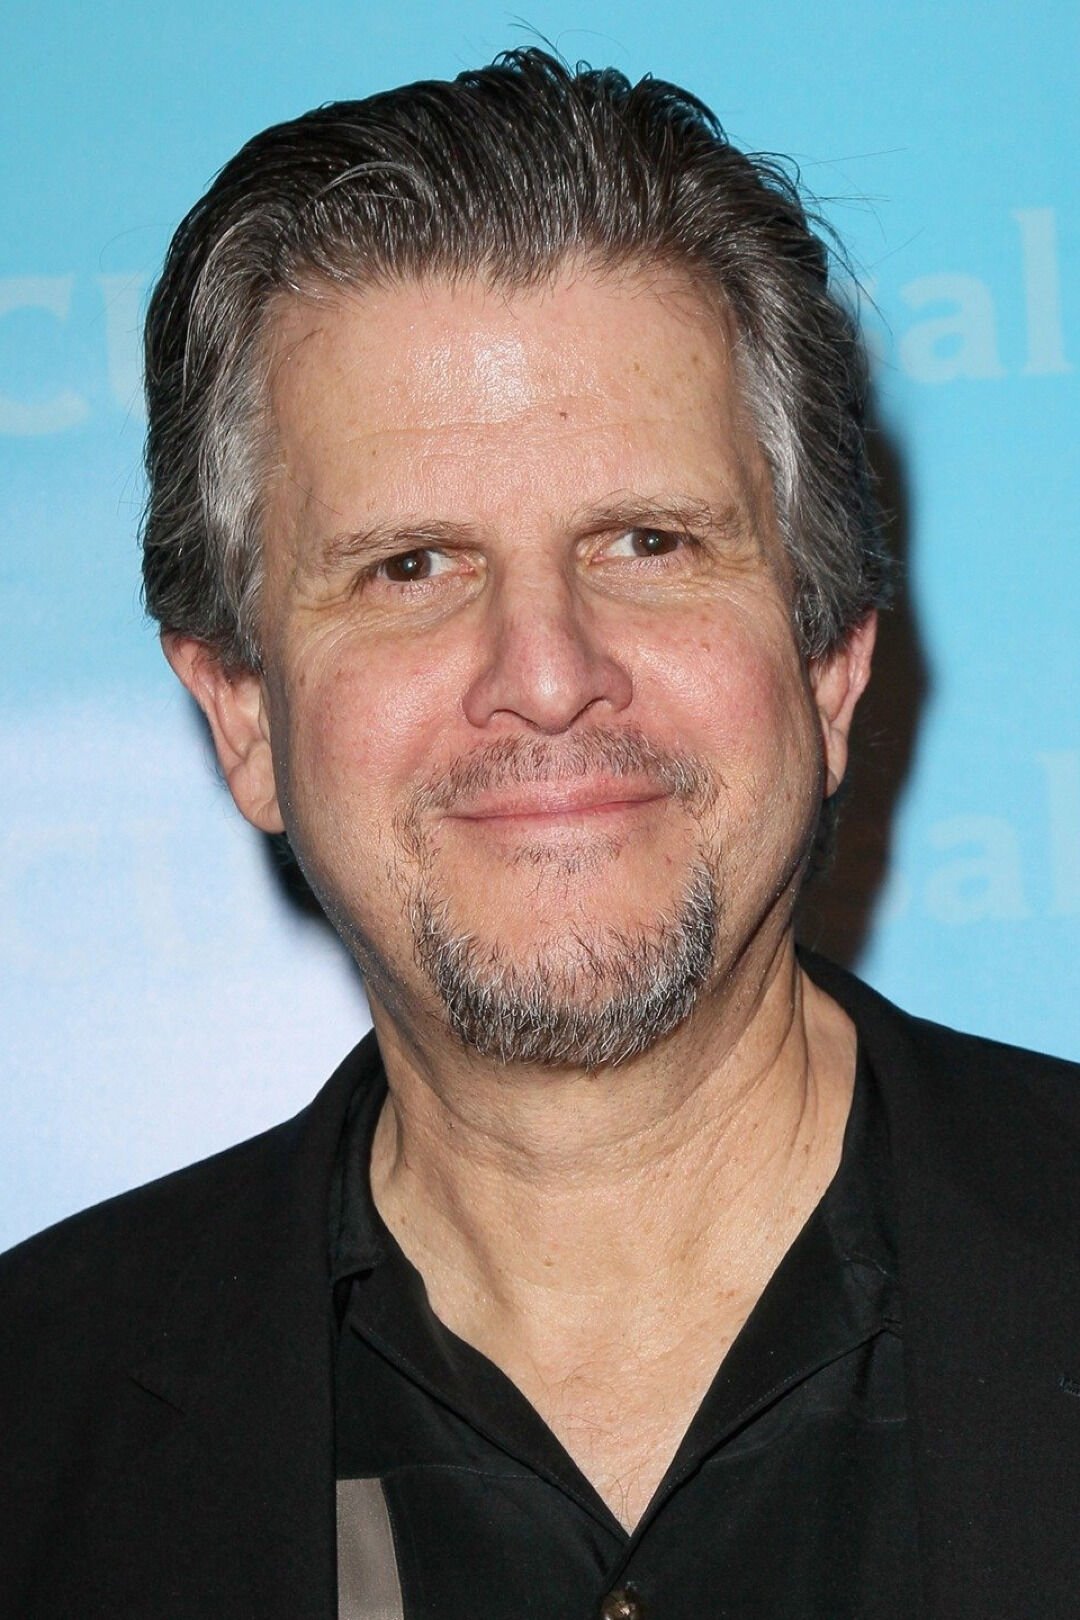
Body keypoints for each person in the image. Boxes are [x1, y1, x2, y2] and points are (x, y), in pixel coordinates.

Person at [3, 48, 1079, 1620]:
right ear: (242, 717)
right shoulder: (32, 1435)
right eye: (410, 568)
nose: (549, 674)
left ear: (831, 667)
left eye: (648, 541)